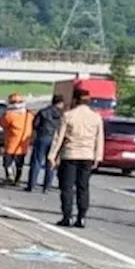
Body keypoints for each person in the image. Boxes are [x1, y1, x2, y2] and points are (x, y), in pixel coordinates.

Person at [48, 87, 104, 228]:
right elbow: (99, 139)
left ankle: (67, 217)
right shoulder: (96, 117)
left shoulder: (68, 116)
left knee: (67, 187)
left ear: (74, 100)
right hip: (87, 156)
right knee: (83, 187)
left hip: (70, 155)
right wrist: (98, 156)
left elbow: (58, 138)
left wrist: (52, 155)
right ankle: (82, 217)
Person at [26, 95, 65, 192]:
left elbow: (35, 124)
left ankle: (31, 185)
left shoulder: (43, 112)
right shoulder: (62, 115)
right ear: (61, 103)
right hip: (55, 139)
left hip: (42, 136)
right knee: (51, 162)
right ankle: (47, 187)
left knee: (37, 162)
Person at [0, 93, 34, 186]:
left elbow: (3, 124)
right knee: (20, 164)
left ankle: (10, 177)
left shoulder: (9, 115)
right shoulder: (29, 114)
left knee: (7, 163)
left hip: (11, 143)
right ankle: (17, 180)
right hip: (23, 144)